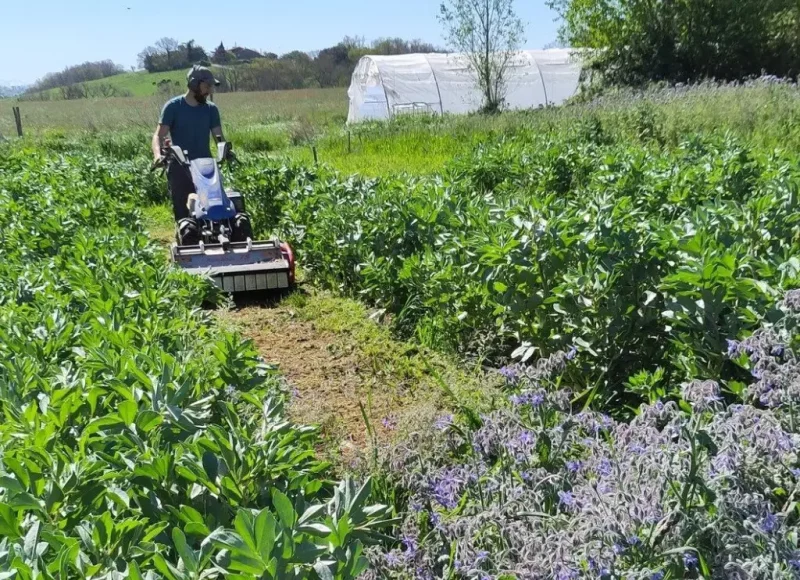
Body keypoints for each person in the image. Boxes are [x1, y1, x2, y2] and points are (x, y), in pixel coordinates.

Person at [152, 65, 224, 221]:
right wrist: (158, 155)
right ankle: (186, 239)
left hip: (206, 167)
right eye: (207, 86)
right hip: (180, 167)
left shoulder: (211, 110)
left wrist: (224, 150)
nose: (210, 91)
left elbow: (218, 136)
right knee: (184, 213)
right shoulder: (173, 107)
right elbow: (159, 136)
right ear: (194, 84)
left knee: (213, 209)